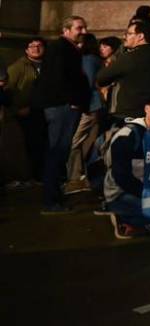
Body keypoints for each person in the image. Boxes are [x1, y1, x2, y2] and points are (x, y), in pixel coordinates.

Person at [32, 16, 91, 214]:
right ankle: (51, 201)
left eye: (84, 28)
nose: (83, 31)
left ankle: (55, 197)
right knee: (56, 152)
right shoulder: (60, 48)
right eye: (79, 28)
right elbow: (58, 78)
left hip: (64, 106)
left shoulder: (67, 48)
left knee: (60, 152)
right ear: (66, 30)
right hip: (61, 107)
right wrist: (73, 101)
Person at [104, 96, 150, 239]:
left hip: (149, 190)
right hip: (122, 192)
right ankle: (122, 218)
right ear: (147, 109)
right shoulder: (128, 134)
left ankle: (134, 220)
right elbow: (121, 176)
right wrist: (149, 195)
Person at [95, 19, 150, 120]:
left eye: (129, 33)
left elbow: (101, 78)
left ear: (140, 36)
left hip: (127, 113)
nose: (124, 37)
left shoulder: (129, 57)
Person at [65, 33, 104, 195]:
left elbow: (86, 83)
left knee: (74, 142)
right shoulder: (94, 59)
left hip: (89, 106)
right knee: (86, 143)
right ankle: (83, 177)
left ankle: (75, 178)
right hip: (95, 106)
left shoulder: (87, 60)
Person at [3, 37, 45, 186]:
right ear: (26, 50)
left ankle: (39, 175)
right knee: (29, 144)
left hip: (43, 111)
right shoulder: (19, 67)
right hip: (24, 112)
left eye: (39, 45)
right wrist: (16, 109)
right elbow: (7, 91)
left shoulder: (48, 65)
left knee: (42, 144)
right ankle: (29, 176)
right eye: (32, 46)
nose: (36, 48)